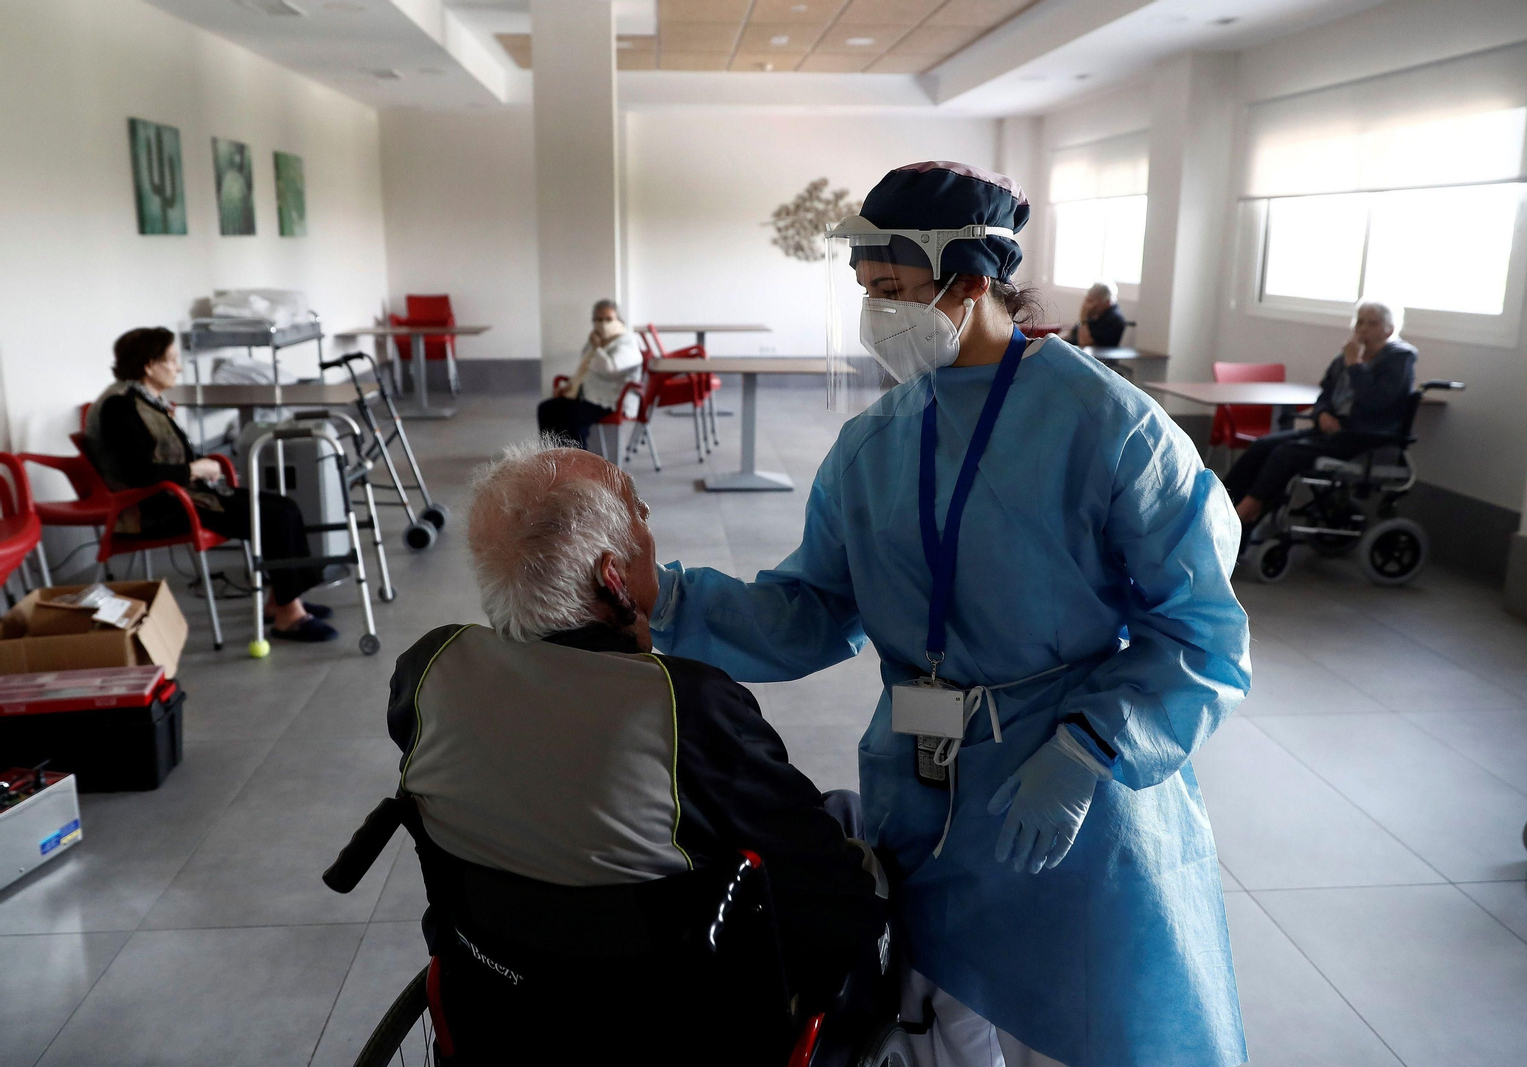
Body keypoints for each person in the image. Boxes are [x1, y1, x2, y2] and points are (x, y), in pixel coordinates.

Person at [650, 163, 1251, 1067]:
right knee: (939, 1024)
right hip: (921, 793)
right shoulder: (876, 443)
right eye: (867, 291)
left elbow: (1203, 635)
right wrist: (665, 598)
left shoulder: (1109, 428)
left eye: (892, 291)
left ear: (972, 283)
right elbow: (810, 610)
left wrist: (1093, 748)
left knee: (1087, 1025)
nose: (876, 314)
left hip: (1069, 800)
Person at [388, 438, 884, 1014]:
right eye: (639, 512)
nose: (650, 528)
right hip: (665, 1017)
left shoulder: (428, 671)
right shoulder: (683, 707)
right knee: (847, 821)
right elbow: (831, 896)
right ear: (614, 577)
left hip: (499, 1001)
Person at [83, 327, 336, 642]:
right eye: (172, 360)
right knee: (274, 516)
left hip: (180, 494)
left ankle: (281, 600)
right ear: (148, 366)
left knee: (283, 505)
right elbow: (140, 473)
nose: (179, 367)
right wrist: (193, 469)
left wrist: (199, 468)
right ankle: (289, 615)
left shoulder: (142, 399)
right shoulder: (120, 406)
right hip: (156, 506)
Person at [1224, 299, 1418, 536]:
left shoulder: (1400, 358)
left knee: (1285, 453)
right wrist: (1323, 413)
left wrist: (1355, 365)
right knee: (1263, 445)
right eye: (1360, 322)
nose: (1363, 328)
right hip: (1330, 430)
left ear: (1388, 329)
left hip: (1363, 437)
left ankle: (1247, 510)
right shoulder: (1346, 355)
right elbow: (1325, 392)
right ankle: (1220, 504)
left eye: (1372, 323)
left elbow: (1376, 402)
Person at [536, 298, 643, 448]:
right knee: (547, 409)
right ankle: (554, 456)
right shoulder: (597, 339)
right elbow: (584, 370)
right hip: (588, 395)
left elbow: (609, 368)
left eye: (608, 319)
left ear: (618, 319)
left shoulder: (627, 341)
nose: (603, 324)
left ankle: (579, 463)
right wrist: (570, 386)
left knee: (571, 418)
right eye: (598, 320)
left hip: (611, 399)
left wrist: (597, 348)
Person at [1062, 281, 1126, 348]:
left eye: (1091, 301)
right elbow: (1073, 333)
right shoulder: (1095, 313)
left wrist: (1083, 318)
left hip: (1092, 355)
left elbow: (1084, 344)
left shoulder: (1113, 319)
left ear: (1107, 302)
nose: (1087, 305)